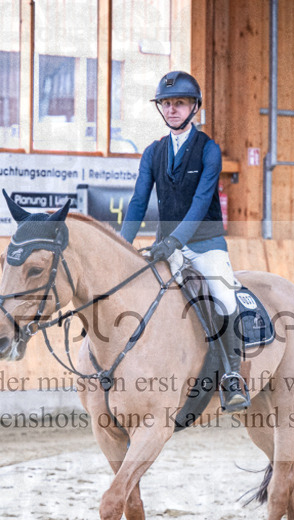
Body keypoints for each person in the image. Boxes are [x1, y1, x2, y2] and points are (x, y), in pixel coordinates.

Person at [120, 70, 248, 412]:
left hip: (205, 244)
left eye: (179, 103)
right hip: (166, 245)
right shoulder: (153, 152)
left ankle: (232, 376)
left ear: (194, 108)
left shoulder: (209, 150)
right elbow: (137, 202)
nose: (172, 110)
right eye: (166, 103)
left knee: (224, 297)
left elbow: (200, 201)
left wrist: (174, 241)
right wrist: (121, 246)